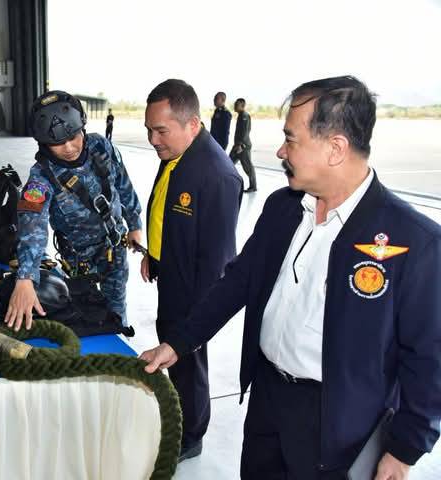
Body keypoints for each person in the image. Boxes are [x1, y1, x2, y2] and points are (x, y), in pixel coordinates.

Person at [140, 76, 441, 479]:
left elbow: (429, 359)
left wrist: (404, 449)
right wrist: (179, 342)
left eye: (291, 139)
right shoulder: (283, 209)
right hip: (267, 400)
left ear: (335, 148)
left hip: (335, 426)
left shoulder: (413, 242)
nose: (281, 151)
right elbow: (237, 282)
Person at [142, 79, 242, 462]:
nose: (153, 140)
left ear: (193, 124)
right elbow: (165, 209)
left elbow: (219, 262)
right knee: (172, 353)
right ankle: (179, 416)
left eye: (161, 131)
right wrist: (154, 254)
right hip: (170, 271)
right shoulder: (175, 153)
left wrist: (197, 322)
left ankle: (191, 434)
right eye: (149, 130)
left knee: (187, 361)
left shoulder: (217, 176)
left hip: (194, 290)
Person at [4, 90, 143, 331]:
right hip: (78, 261)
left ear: (83, 127)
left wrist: (135, 224)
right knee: (85, 315)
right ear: (43, 144)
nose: (69, 148)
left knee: (116, 310)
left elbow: (123, 184)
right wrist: (26, 277)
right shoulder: (41, 178)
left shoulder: (101, 146)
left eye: (73, 137)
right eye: (57, 143)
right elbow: (32, 227)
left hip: (115, 249)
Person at [231, 98, 257, 192]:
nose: (234, 106)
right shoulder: (240, 115)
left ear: (242, 106)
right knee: (228, 163)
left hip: (242, 146)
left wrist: (241, 145)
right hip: (238, 145)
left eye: (236, 104)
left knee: (248, 167)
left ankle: (253, 187)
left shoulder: (244, 116)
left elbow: (245, 132)